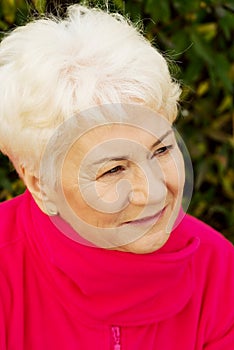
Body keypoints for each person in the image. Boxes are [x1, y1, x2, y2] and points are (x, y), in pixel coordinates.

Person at [0, 4, 233, 349]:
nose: (154, 193)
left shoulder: (220, 272)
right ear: (40, 185)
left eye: (162, 150)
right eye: (113, 169)